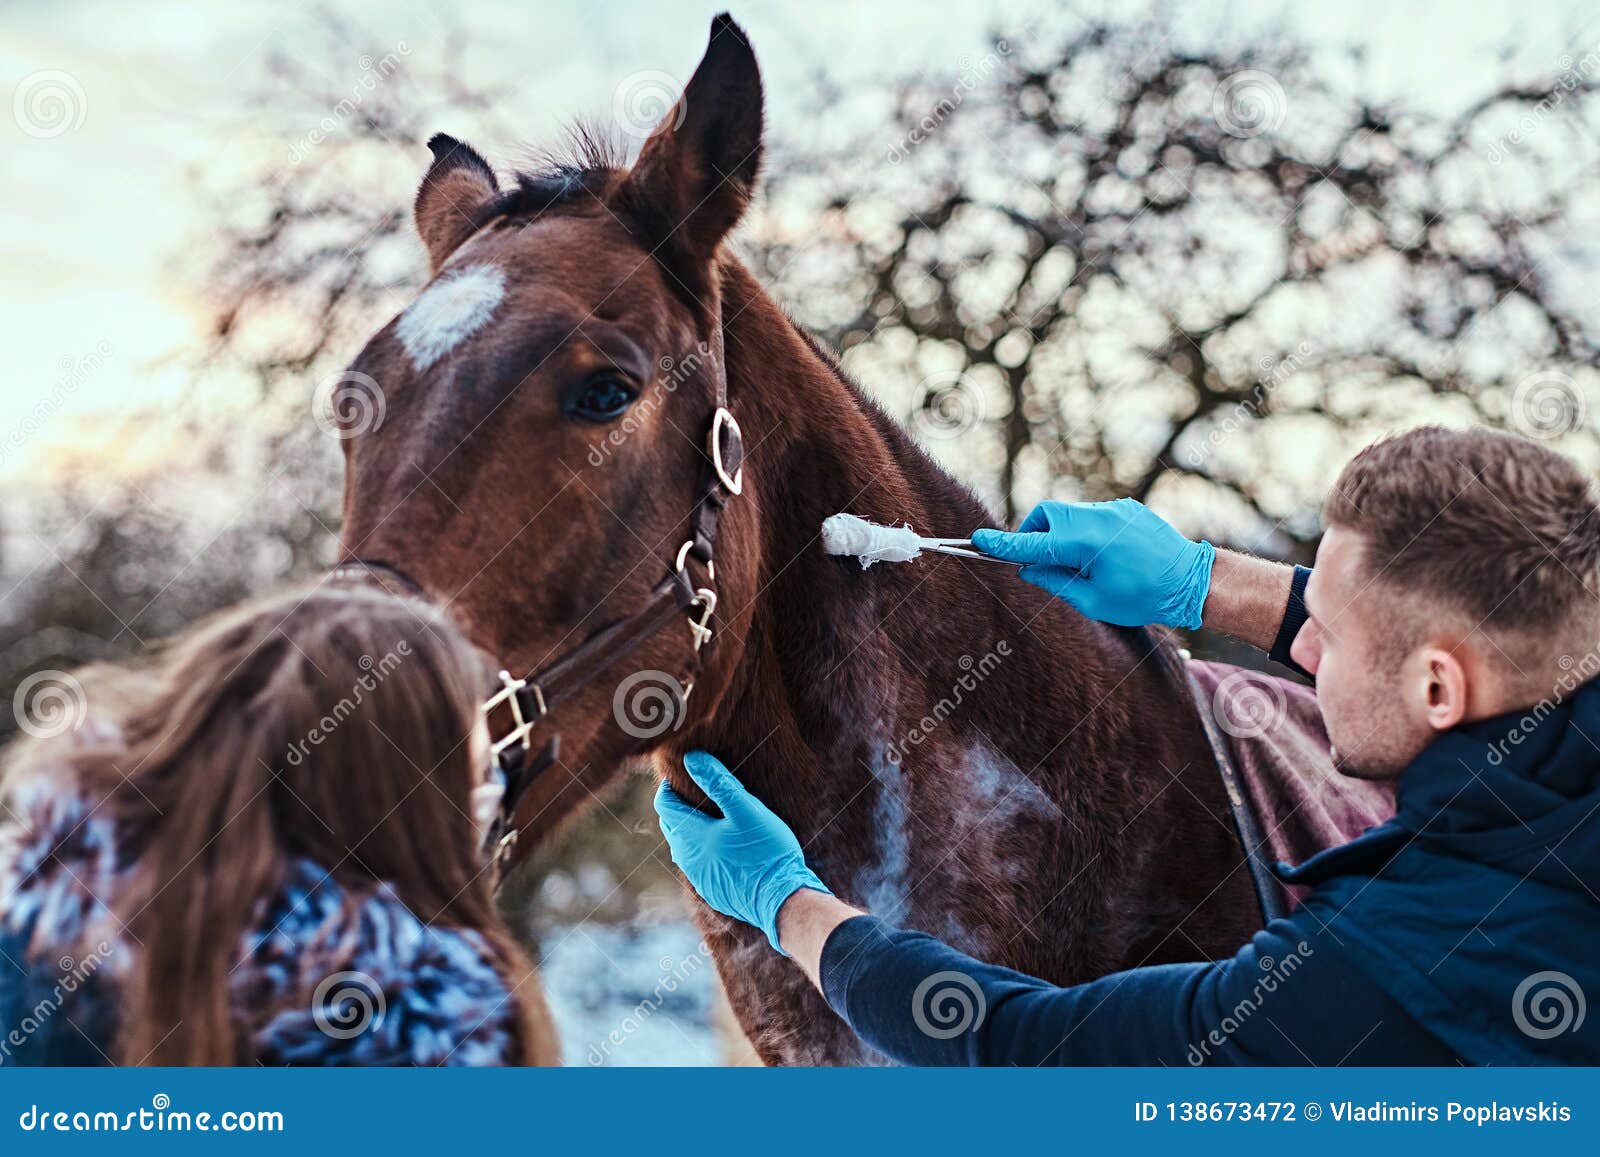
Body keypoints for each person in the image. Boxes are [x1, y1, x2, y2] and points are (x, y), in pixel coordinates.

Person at [656, 425, 1600, 1064]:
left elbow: (1037, 1052)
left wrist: (790, 908)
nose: (1302, 646)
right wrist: (1205, 582)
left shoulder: (1415, 964)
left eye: (1329, 631)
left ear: (1441, 686)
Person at [0, 584, 558, 1066]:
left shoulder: (34, 954)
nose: (490, 796)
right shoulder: (432, 1032)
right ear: (395, 807)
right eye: (480, 772)